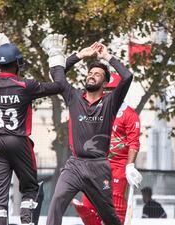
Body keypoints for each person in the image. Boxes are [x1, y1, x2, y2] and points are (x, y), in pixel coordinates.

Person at [0, 32, 66, 225]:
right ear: (17, 63)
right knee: (30, 188)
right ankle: (26, 222)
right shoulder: (26, 85)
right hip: (18, 141)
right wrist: (56, 57)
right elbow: (59, 86)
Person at [41, 35, 133, 225]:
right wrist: (79, 55)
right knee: (57, 200)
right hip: (74, 165)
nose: (91, 75)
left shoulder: (110, 101)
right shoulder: (74, 96)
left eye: (97, 74)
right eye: (90, 73)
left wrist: (107, 57)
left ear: (105, 83)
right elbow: (57, 75)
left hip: (98, 167)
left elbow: (127, 76)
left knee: (110, 218)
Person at [72, 72, 143, 225]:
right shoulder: (96, 110)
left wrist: (130, 166)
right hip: (96, 164)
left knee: (115, 201)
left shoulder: (129, 115)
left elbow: (134, 142)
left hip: (118, 165)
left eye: (113, 90)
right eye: (107, 90)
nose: (109, 94)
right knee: (89, 202)